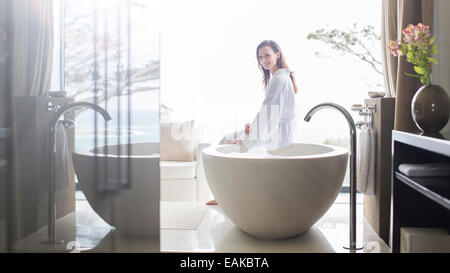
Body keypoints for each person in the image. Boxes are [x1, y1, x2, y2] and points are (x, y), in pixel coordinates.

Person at [206, 40, 298, 206]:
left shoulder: (280, 80)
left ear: (277, 54)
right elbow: (268, 112)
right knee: (227, 139)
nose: (264, 60)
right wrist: (252, 127)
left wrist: (247, 138)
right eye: (260, 57)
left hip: (277, 135)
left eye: (267, 55)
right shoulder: (279, 77)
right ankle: (224, 196)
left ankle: (225, 197)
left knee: (227, 143)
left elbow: (269, 113)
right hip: (273, 130)